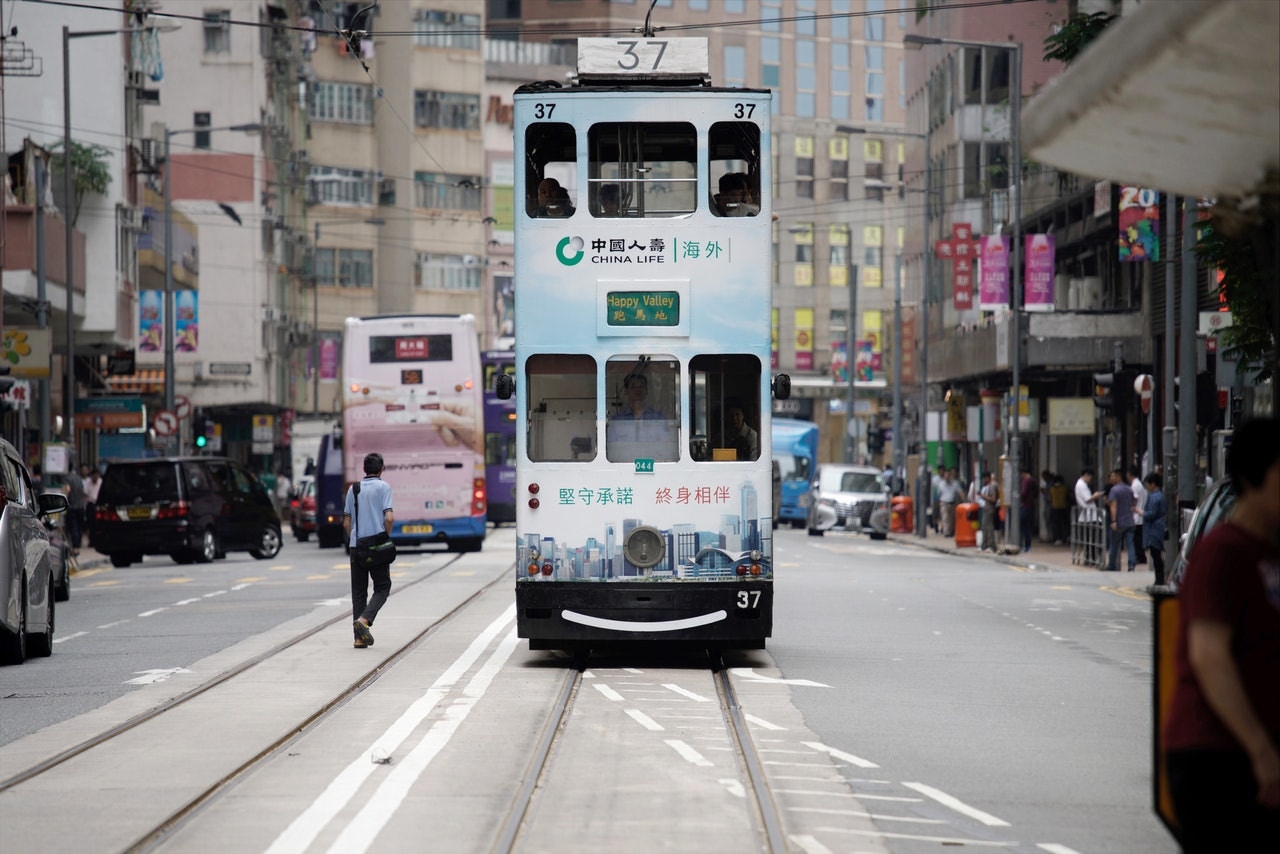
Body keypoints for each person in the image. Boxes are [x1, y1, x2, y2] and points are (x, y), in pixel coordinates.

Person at [1162, 417, 1280, 852]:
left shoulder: (1268, 552)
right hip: (1216, 758)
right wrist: (1261, 750)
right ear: (1256, 477)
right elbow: (1210, 657)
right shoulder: (1224, 553)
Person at [343, 452, 395, 649]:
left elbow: (347, 522)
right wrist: (385, 536)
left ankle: (358, 638)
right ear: (382, 469)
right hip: (377, 546)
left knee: (358, 592)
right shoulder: (383, 487)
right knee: (382, 587)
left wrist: (355, 539)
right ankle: (364, 620)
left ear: (364, 469)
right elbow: (389, 518)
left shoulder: (353, 489)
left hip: (357, 546)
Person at [607, 374, 671, 444]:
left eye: (641, 386)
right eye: (633, 386)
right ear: (626, 391)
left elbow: (665, 444)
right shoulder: (617, 421)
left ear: (646, 390)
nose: (637, 389)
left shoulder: (658, 419)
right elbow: (612, 448)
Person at [1106, 468, 1137, 572]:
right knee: (1130, 544)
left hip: (1119, 522)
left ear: (1118, 476)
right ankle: (1131, 565)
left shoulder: (1114, 490)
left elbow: (1113, 506)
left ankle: (1111, 565)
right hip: (1130, 521)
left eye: (1112, 476)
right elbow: (1133, 503)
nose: (1111, 478)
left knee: (1114, 544)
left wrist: (1114, 521)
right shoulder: (1129, 489)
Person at [1141, 472, 1167, 581]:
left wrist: (1141, 512)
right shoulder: (1159, 496)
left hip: (1154, 529)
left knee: (1156, 555)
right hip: (1158, 527)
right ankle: (1159, 578)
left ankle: (1159, 579)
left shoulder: (1154, 497)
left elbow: (1151, 514)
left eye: (1147, 484)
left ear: (1153, 484)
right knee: (1156, 555)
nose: (1146, 487)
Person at [62, 463, 86, 556]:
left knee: (73, 528)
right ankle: (77, 546)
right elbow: (83, 491)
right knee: (78, 528)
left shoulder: (67, 479)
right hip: (80, 506)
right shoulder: (78, 478)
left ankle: (75, 548)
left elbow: (67, 490)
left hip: (71, 507)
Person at [1129, 464, 1148, 565]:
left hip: (1137, 515)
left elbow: (1135, 499)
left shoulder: (1135, 485)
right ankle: (1140, 556)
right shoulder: (1139, 484)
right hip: (1139, 515)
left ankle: (1140, 557)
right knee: (1138, 538)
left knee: (1136, 539)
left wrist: (1132, 507)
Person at [937, 468, 963, 538]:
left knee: (952, 519)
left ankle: (951, 531)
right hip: (944, 502)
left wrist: (963, 499)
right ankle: (946, 532)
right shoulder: (941, 484)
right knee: (945, 517)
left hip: (952, 502)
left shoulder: (955, 483)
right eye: (946, 476)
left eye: (948, 475)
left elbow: (960, 492)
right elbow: (938, 494)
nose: (947, 477)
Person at [82, 463, 102, 548]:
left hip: (98, 504)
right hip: (90, 504)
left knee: (98, 524)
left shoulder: (101, 482)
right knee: (90, 524)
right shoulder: (87, 482)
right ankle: (91, 541)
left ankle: (97, 540)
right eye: (94, 476)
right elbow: (84, 492)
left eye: (97, 476)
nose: (95, 478)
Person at [1019, 467, 1038, 553]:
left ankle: (1023, 545)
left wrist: (1019, 499)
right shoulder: (1034, 481)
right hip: (1031, 505)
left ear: (1024, 473)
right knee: (1027, 526)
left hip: (1025, 505)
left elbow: (1023, 492)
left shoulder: (1026, 481)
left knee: (1022, 525)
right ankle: (1028, 546)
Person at [979, 471, 999, 552]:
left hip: (989, 509)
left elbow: (993, 499)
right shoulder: (990, 485)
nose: (983, 480)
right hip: (987, 508)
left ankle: (991, 545)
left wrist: (983, 496)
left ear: (987, 478)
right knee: (984, 527)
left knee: (988, 527)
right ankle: (984, 545)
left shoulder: (992, 486)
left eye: (984, 478)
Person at [1049, 474, 1070, 545]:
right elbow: (1068, 496)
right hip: (1064, 507)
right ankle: (1067, 537)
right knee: (1065, 523)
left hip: (1054, 507)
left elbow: (1050, 498)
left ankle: (1058, 538)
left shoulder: (1052, 489)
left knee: (1056, 524)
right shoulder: (1065, 488)